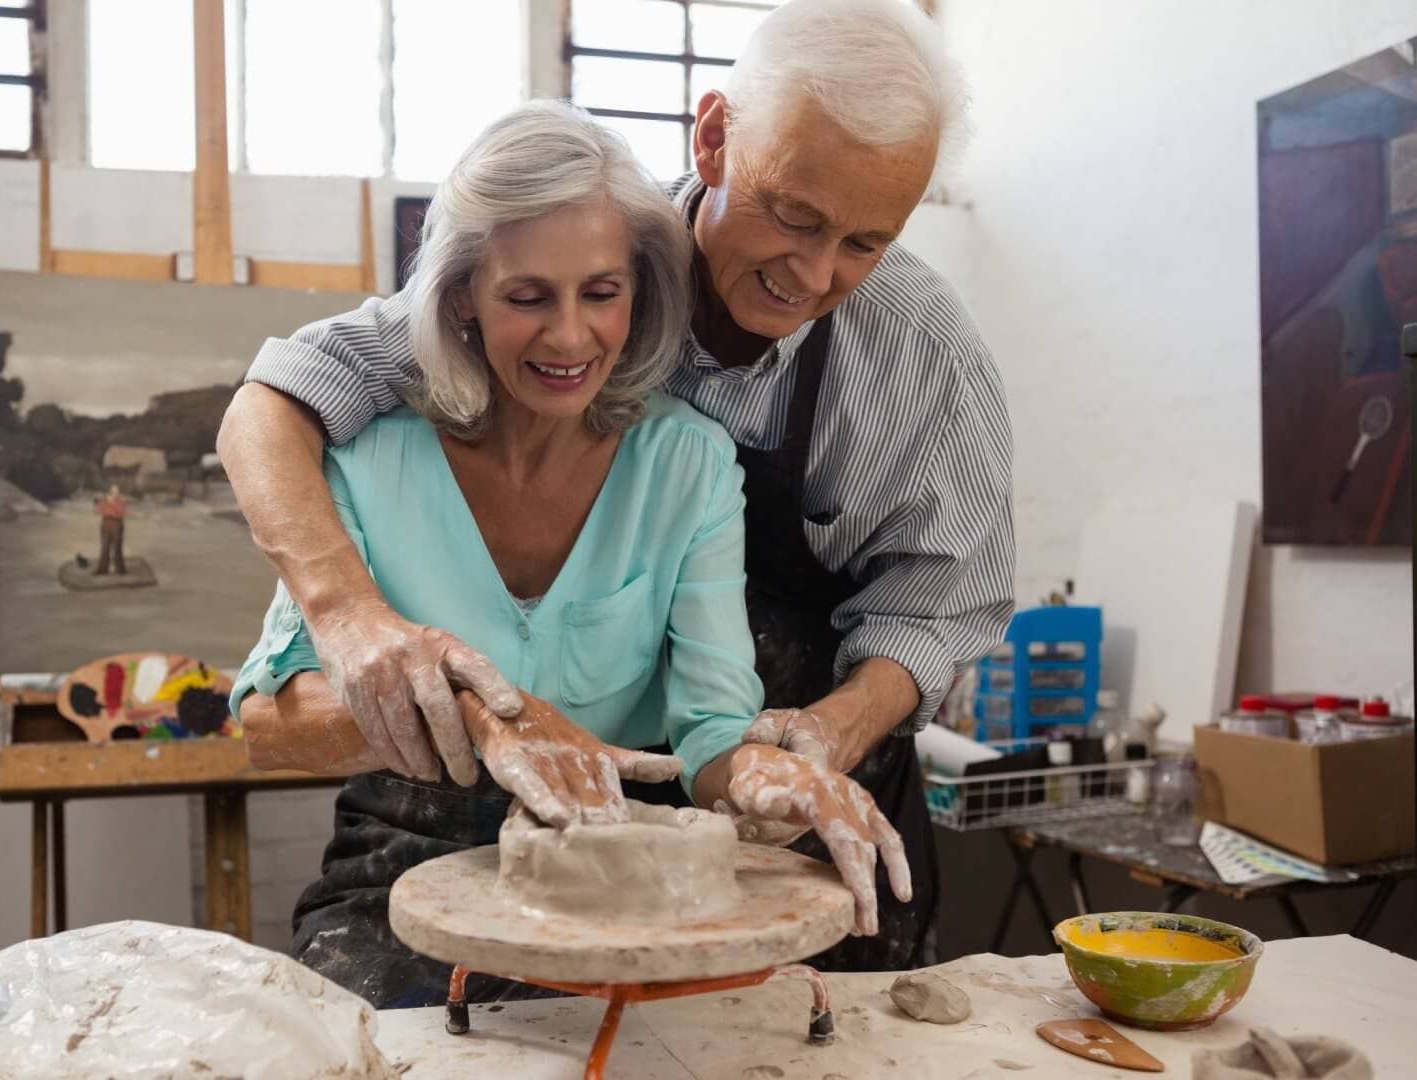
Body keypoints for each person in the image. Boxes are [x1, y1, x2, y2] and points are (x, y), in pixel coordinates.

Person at [219, 0, 1013, 971]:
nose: (812, 272)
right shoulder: (566, 262)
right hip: (455, 834)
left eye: (863, 243)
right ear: (715, 138)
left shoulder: (892, 378)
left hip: (751, 801)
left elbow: (936, 611)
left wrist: (812, 742)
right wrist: (353, 619)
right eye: (793, 216)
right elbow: (279, 399)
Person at [93, 483, 127, 575]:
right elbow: (97, 511)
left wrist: (111, 504)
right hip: (105, 523)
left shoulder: (121, 502)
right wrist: (99, 502)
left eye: (117, 491)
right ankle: (102, 569)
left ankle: (120, 569)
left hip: (117, 524)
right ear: (110, 492)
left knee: (117, 547)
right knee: (105, 546)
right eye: (113, 491)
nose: (115, 493)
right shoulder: (104, 501)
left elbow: (121, 513)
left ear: (119, 492)